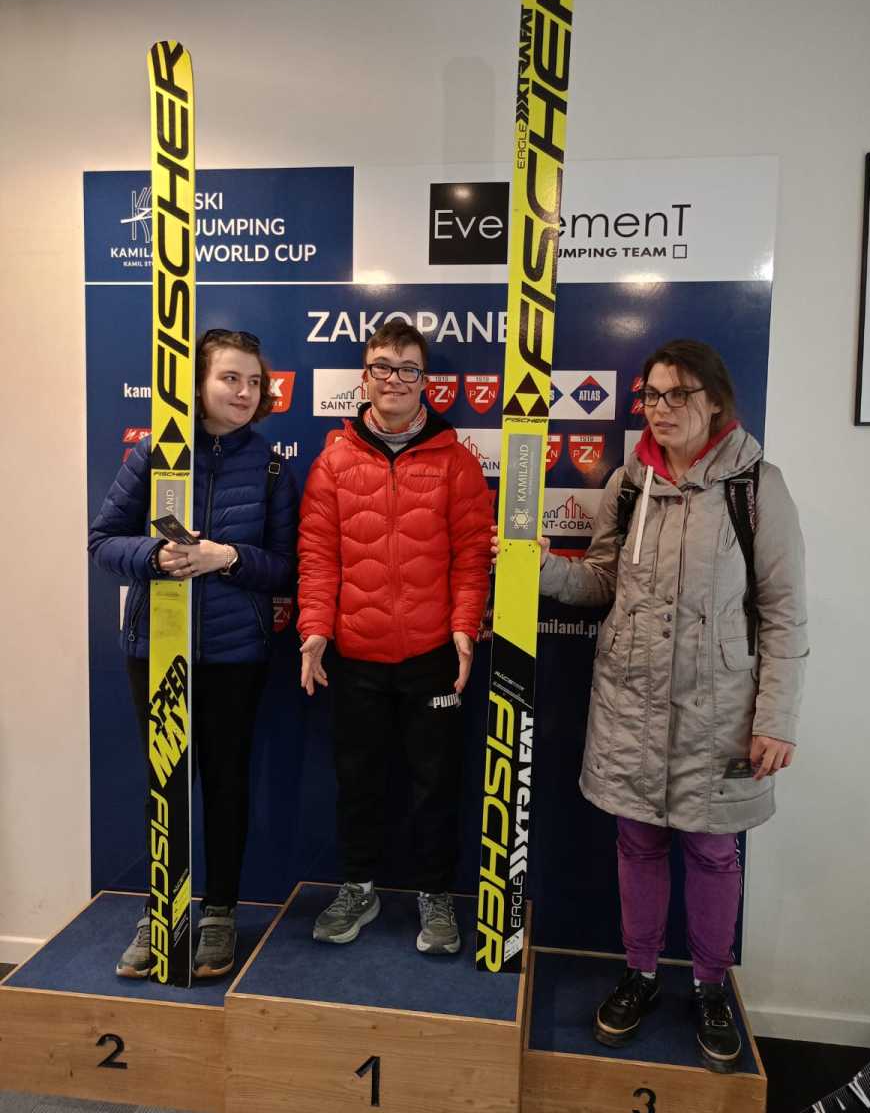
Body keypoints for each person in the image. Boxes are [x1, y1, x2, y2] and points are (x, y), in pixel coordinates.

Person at [537, 340, 807, 1071]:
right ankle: (641, 974)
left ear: (714, 401)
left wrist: (776, 719)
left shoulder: (758, 488)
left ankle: (712, 987)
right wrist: (543, 571)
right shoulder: (630, 482)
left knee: (713, 851)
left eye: (678, 394)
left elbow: (783, 614)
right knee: (638, 843)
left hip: (719, 710)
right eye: (651, 395)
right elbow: (602, 583)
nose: (661, 409)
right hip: (630, 700)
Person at [88, 328, 298, 978]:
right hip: (156, 649)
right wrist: (155, 556)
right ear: (198, 384)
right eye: (230, 378)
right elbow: (102, 542)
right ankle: (163, 909)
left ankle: (219, 913)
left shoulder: (270, 466)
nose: (244, 392)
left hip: (235, 656)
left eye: (254, 382)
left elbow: (286, 566)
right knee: (166, 784)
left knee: (227, 785)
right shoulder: (154, 452)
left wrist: (225, 557)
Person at [297, 319, 493, 955]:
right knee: (358, 782)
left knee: (435, 785)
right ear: (365, 377)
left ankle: (436, 896)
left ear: (424, 380)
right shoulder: (333, 461)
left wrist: (464, 627)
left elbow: (472, 555)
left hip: (432, 656)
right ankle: (359, 887)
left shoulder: (457, 462)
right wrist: (315, 630)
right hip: (355, 656)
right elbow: (318, 556)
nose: (395, 379)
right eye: (383, 366)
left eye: (408, 368)